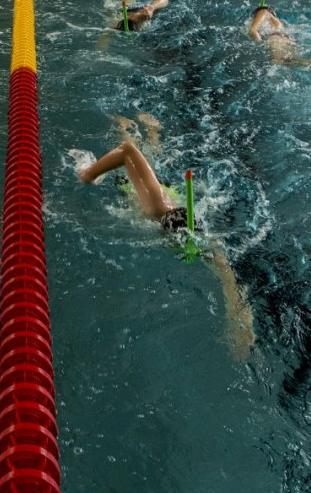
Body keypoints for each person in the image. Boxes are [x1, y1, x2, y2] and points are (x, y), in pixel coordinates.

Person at [76, 134, 254, 360]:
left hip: (164, 191)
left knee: (152, 152)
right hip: (143, 184)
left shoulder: (202, 239)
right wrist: (88, 174)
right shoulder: (154, 208)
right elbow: (126, 150)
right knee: (127, 136)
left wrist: (242, 328)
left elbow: (230, 281)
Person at [249, 0, 311, 71]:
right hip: (287, 39)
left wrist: (260, 44)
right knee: (285, 60)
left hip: (276, 38)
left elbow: (252, 31)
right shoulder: (275, 21)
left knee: (280, 60)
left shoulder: (263, 11)